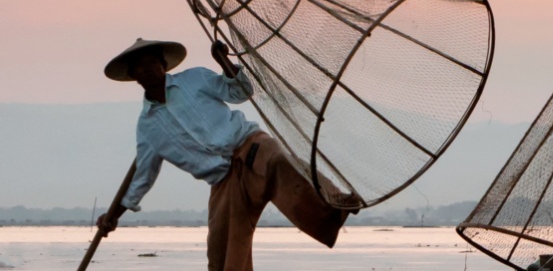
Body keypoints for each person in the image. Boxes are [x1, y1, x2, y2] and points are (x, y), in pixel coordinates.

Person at [94, 38, 356, 271]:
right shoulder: (148, 126)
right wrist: (112, 217)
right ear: (134, 76)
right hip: (223, 181)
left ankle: (335, 205)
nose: (148, 68)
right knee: (222, 256)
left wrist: (224, 62)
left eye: (153, 62)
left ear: (163, 64)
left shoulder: (194, 79)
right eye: (140, 66)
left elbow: (240, 92)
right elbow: (141, 178)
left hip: (249, 145)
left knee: (279, 162)